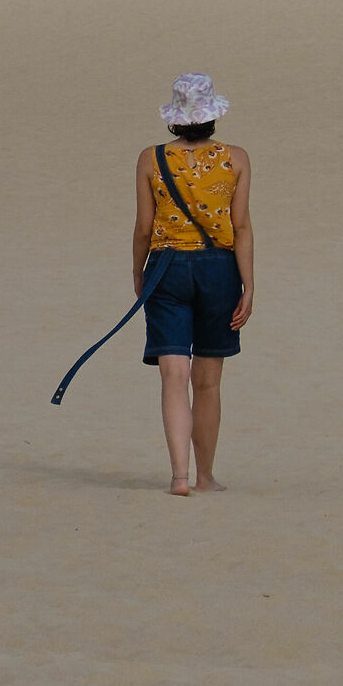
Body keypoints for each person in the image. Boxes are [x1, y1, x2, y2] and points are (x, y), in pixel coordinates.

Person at [133, 73, 255, 495]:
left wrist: (138, 272)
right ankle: (205, 477)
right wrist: (249, 286)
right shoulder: (236, 158)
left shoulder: (151, 158)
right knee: (208, 380)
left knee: (172, 376)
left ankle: (179, 476)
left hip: (165, 267)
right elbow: (240, 226)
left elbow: (143, 227)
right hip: (219, 269)